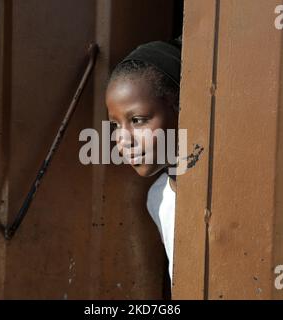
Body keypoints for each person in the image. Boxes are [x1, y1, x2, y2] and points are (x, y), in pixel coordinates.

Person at [105, 38, 182, 284]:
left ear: (180, 107)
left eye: (138, 120)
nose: (123, 139)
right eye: (115, 125)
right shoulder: (158, 199)